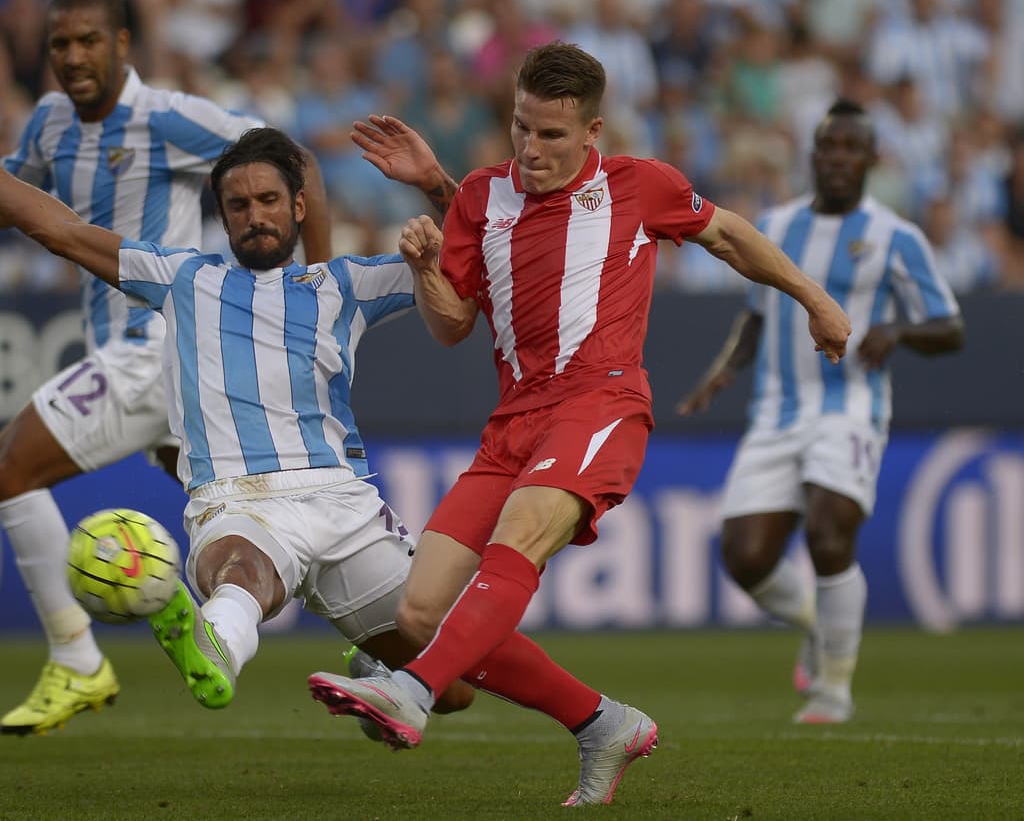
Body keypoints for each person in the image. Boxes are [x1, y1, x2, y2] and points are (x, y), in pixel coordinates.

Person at [305, 41, 852, 807]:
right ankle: (602, 724)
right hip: (513, 424)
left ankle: (413, 692)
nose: (531, 148)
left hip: (601, 402)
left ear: (593, 131)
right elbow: (453, 323)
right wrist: (429, 267)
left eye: (551, 135)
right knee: (420, 611)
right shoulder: (478, 199)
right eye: (521, 129)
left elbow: (730, 236)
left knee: (518, 537)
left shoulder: (639, 187)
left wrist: (815, 300)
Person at [0, 0, 332, 736]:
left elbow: (296, 160)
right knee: (259, 511)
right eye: (60, 44)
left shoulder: (167, 117)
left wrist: (316, 283)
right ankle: (379, 629)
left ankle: (76, 660)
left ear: (122, 44)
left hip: (156, 343)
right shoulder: (52, 121)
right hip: (162, 364)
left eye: (89, 41)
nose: (73, 57)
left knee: (7, 467)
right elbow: (11, 198)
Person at [0, 111, 475, 722]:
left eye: (268, 200)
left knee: (456, 687)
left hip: (344, 504)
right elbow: (61, 231)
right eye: (238, 205)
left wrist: (436, 185)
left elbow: (479, 253)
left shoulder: (347, 283)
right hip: (239, 503)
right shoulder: (183, 277)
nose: (255, 215)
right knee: (244, 577)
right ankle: (214, 647)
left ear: (299, 209)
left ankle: (373, 669)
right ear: (222, 215)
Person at [676, 99, 964, 724]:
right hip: (777, 411)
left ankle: (833, 688)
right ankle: (813, 621)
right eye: (827, 147)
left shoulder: (896, 237)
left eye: (849, 148)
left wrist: (900, 332)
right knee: (745, 558)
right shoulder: (774, 226)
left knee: (830, 534)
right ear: (813, 155)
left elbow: (951, 325)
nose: (836, 159)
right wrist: (724, 370)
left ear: (871, 159)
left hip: (852, 405)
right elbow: (756, 315)